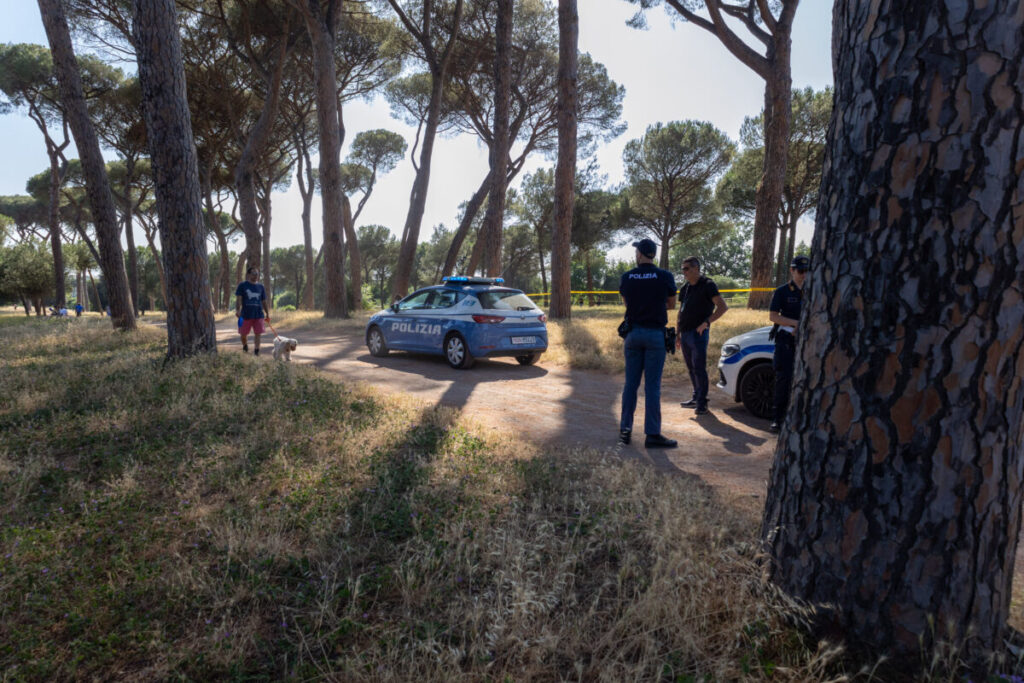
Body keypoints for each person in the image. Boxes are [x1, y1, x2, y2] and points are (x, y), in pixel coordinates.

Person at [618, 238, 678, 448]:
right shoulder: (665, 276)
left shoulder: (627, 277)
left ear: (640, 254)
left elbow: (627, 303)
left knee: (630, 384)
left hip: (633, 334)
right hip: (655, 335)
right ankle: (652, 435)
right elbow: (671, 304)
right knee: (652, 386)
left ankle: (625, 431)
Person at [676, 256, 729, 415]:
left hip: (698, 334)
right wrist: (677, 333)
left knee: (699, 368)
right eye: (682, 269)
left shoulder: (708, 285)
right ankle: (696, 397)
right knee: (691, 368)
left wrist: (706, 323)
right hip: (685, 334)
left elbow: (722, 307)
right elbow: (681, 311)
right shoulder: (685, 288)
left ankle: (702, 402)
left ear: (696, 269)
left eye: (686, 269)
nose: (684, 272)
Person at [768, 255, 809, 433]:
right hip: (786, 340)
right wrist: (796, 324)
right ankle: (777, 419)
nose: (804, 274)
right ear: (792, 270)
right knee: (783, 380)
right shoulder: (782, 291)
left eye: (807, 271)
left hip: (808, 341)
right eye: (800, 271)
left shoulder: (815, 289)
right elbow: (773, 316)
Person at [235, 266, 270, 355]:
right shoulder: (242, 285)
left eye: (257, 274)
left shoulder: (261, 287)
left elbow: (264, 301)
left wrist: (267, 313)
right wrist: (238, 310)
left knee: (258, 333)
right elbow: (239, 299)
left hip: (258, 314)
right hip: (244, 315)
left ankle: (256, 351)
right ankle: (245, 345)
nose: (256, 275)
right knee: (243, 334)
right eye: (254, 273)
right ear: (248, 274)